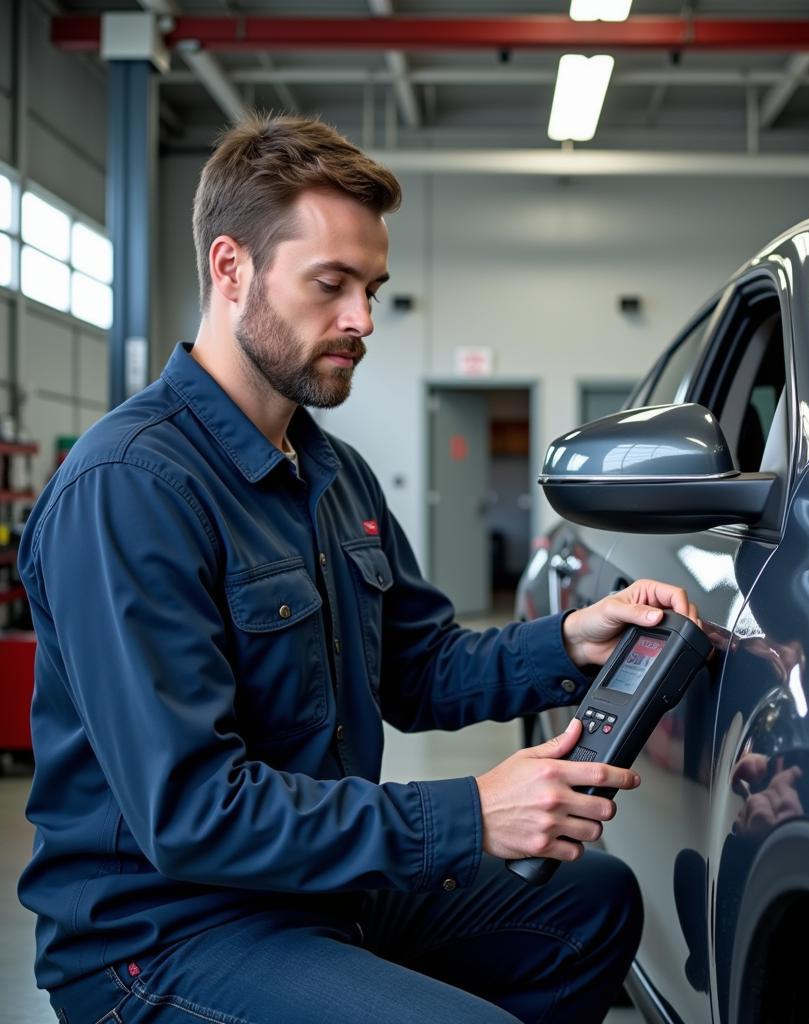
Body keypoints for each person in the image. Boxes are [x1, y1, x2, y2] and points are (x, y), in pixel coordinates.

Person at [18, 115, 701, 1024]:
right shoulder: (129, 489)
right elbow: (191, 812)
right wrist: (468, 813)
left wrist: (571, 641)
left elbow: (416, 673)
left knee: (591, 904)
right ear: (231, 269)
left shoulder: (334, 474)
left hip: (321, 887)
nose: (362, 321)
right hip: (163, 932)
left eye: (372, 288)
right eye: (331, 285)